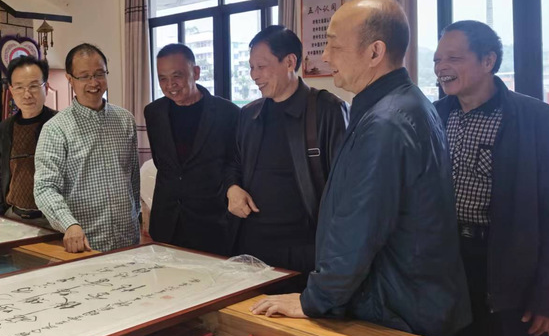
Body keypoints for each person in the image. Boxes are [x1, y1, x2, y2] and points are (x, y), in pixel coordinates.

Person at [252, 0, 471, 336]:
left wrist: (314, 300)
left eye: (334, 45)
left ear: (374, 52)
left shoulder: (386, 122)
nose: (324, 56)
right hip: (411, 299)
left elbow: (359, 226)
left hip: (395, 310)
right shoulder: (405, 103)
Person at [434, 20, 549, 336]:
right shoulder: (433, 116)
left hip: (510, 269)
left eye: (453, 58)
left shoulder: (535, 119)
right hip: (447, 263)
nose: (441, 68)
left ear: (488, 61)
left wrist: (546, 296)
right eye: (437, 60)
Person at [226, 26, 347, 286]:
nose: (254, 75)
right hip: (253, 247)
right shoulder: (249, 114)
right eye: (251, 67)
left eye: (261, 67)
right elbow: (234, 162)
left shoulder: (327, 110)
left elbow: (345, 186)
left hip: (305, 250)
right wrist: (232, 188)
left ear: (290, 62)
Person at [34, 44, 140, 253]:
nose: (94, 83)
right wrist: (69, 224)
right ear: (70, 79)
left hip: (128, 241)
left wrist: (135, 216)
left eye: (99, 74)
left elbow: (133, 178)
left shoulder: (125, 120)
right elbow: (44, 187)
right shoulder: (56, 129)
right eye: (84, 76)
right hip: (84, 244)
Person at [144, 43, 240, 255]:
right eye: (162, 78)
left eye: (177, 76)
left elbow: (233, 163)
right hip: (166, 222)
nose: (170, 85)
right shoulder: (153, 113)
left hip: (212, 223)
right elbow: (163, 163)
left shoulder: (228, 113)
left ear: (196, 72)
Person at [0, 56, 56, 219]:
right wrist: (1, 213)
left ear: (46, 88)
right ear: (11, 90)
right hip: (14, 215)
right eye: (19, 87)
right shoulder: (1, 131)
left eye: (34, 86)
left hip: (54, 219)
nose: (27, 94)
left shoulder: (61, 125)